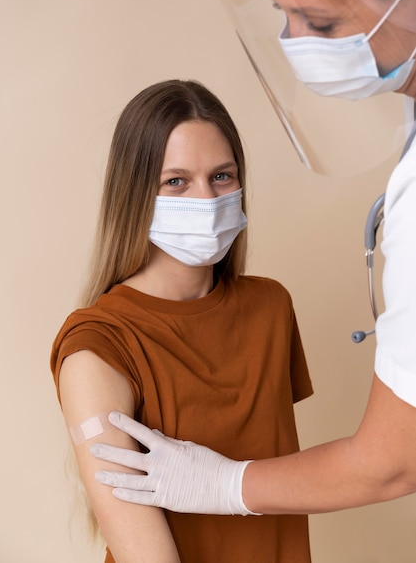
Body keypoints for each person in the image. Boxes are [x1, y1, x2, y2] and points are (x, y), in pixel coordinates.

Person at [89, 0, 416, 521]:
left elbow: (394, 460)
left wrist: (225, 485)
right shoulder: (100, 344)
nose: (297, 45)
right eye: (280, 13)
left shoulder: (267, 307)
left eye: (319, 18)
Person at [50, 78, 314, 562]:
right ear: (135, 196)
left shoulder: (271, 307)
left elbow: (288, 481)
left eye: (222, 176)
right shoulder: (98, 345)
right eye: (176, 181)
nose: (206, 199)